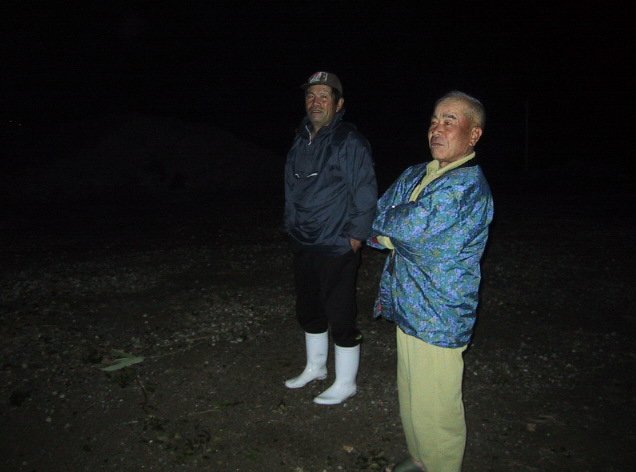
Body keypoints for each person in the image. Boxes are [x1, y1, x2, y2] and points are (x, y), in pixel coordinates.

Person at [368, 91, 494, 471]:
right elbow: (380, 212)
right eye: (434, 120)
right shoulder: (416, 173)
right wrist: (391, 228)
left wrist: (390, 230)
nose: (437, 129)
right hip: (408, 302)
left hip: (439, 314)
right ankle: (420, 459)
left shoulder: (467, 188)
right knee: (411, 394)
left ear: (474, 134)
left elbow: (418, 236)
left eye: (450, 121)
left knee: (438, 408)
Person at [283, 71, 378, 405]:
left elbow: (365, 192)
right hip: (304, 241)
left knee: (340, 313)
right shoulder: (301, 137)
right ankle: (316, 367)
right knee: (308, 308)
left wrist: (356, 236)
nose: (316, 102)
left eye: (324, 96)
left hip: (337, 243)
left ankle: (346, 382)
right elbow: (292, 187)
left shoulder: (350, 141)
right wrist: (291, 226)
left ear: (339, 104)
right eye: (311, 96)